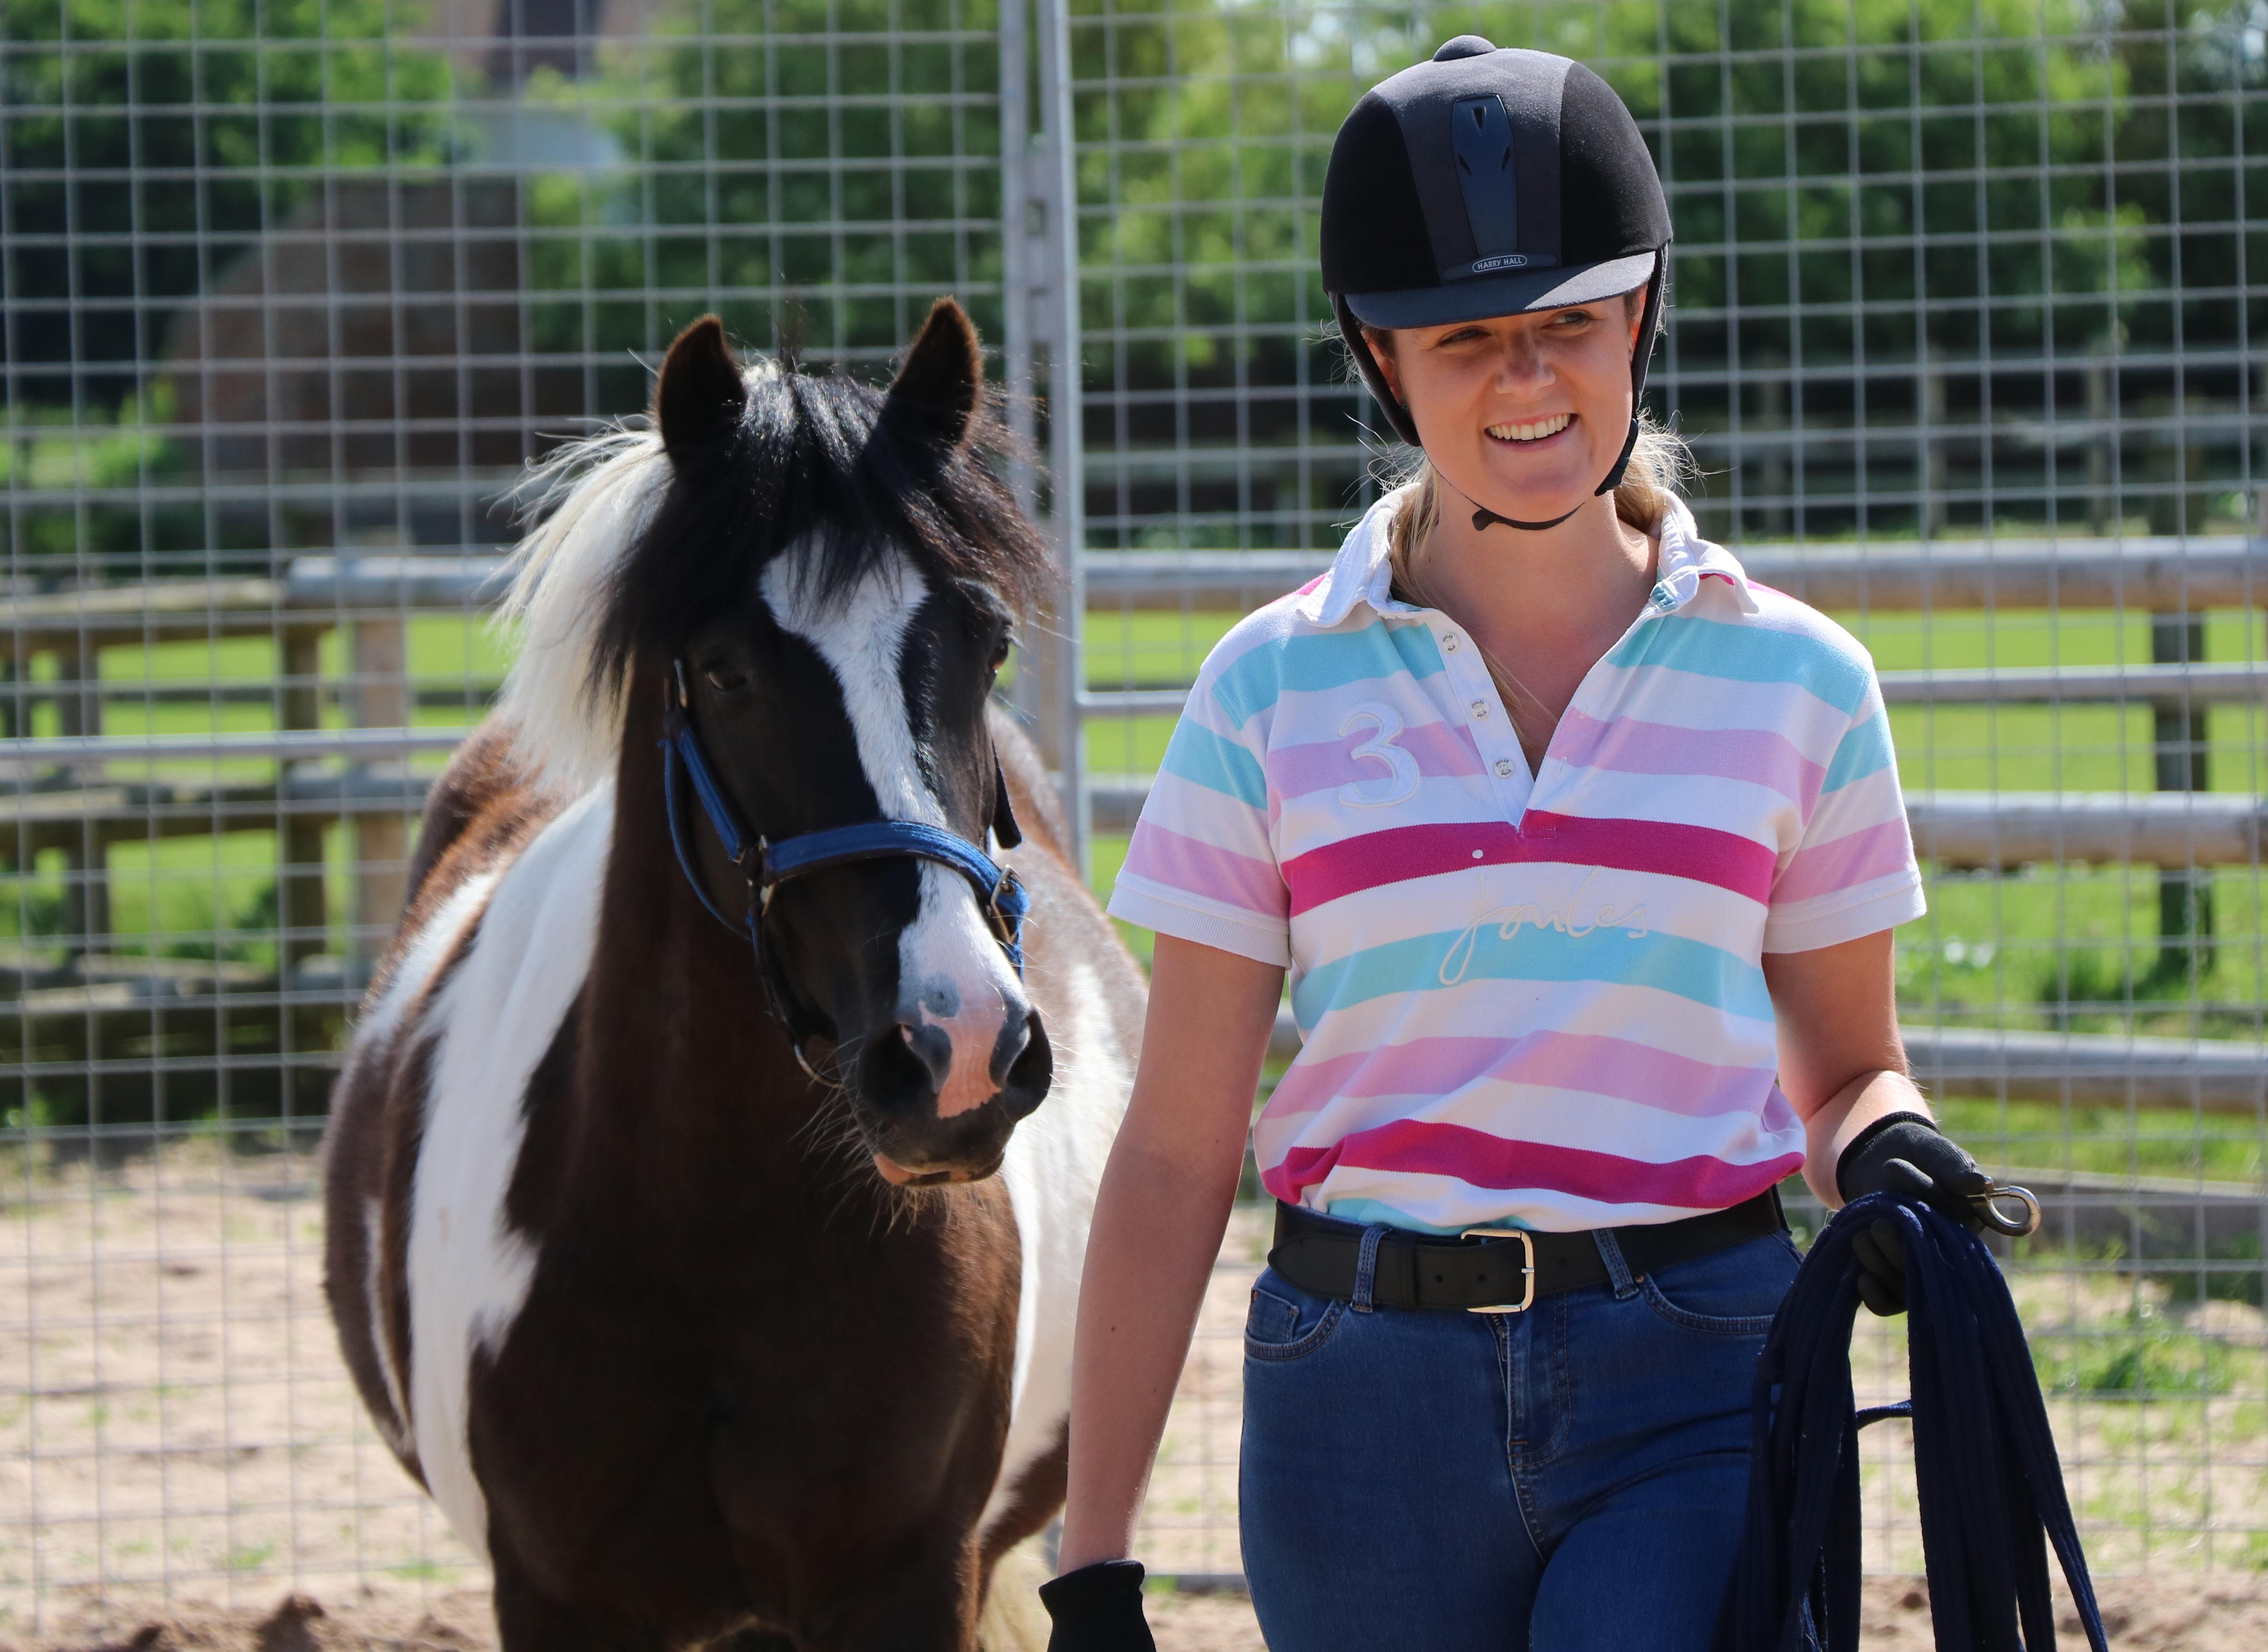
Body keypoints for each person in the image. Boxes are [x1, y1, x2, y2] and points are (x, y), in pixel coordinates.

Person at [1037, 36, 1999, 1652]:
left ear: (1641, 317)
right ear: (1381, 356)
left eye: (1570, 324)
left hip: (1699, 1373)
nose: (1528, 380)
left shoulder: (1804, 684)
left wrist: (1891, 1141)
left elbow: (1844, 1074)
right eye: (1467, 339)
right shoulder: (1263, 693)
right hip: (1357, 1408)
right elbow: (1180, 1148)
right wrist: (1096, 1553)